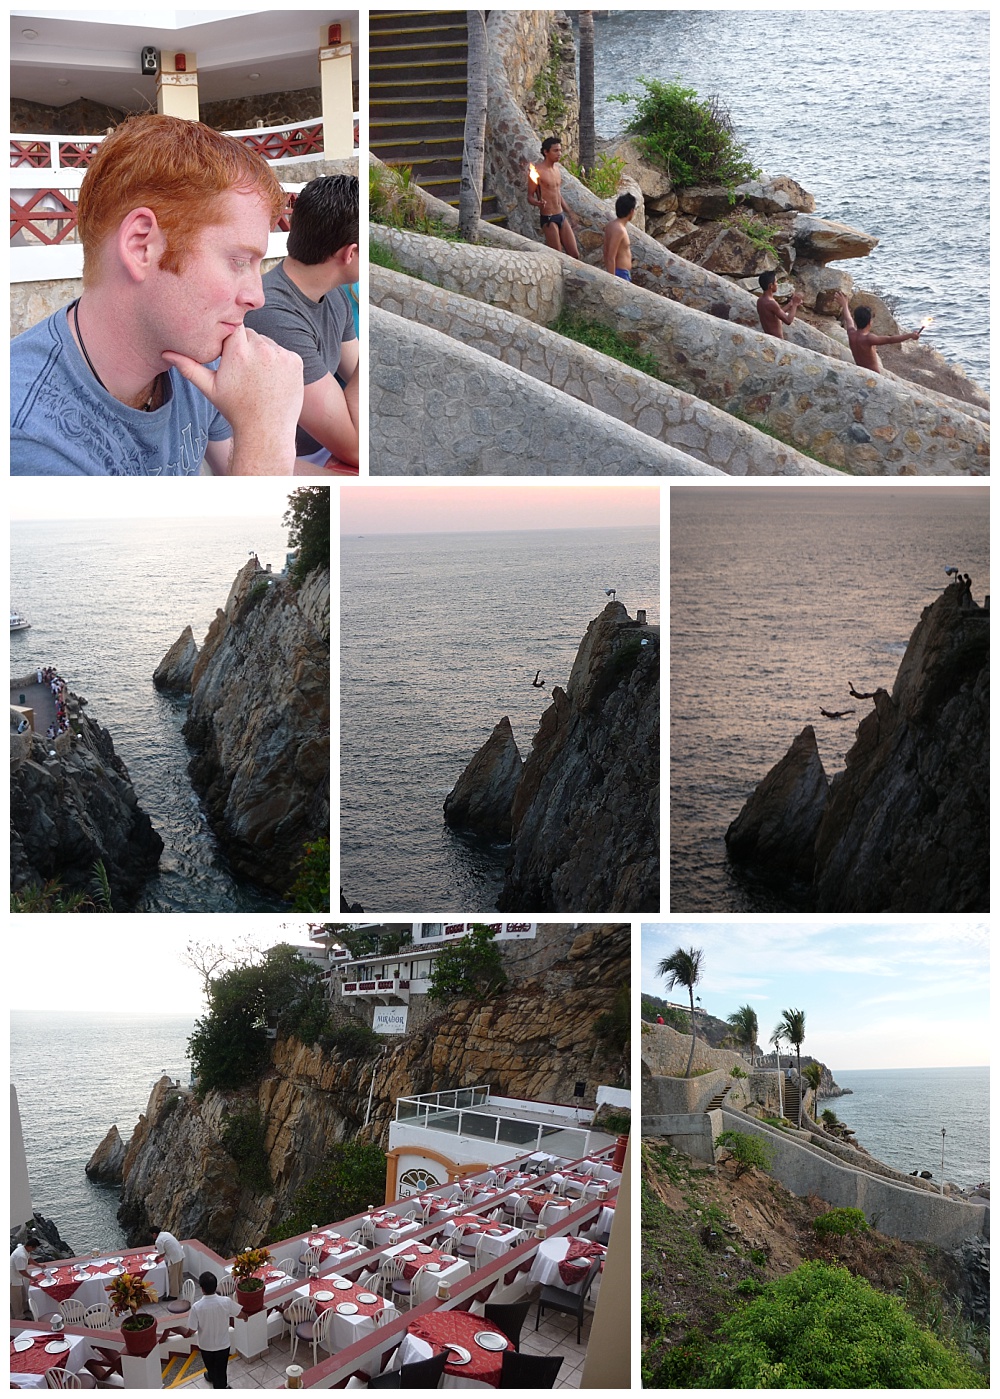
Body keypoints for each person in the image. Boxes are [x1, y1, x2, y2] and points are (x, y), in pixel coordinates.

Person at [11, 113, 304, 477]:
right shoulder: (27, 442)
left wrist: (258, 424)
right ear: (141, 246)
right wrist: (266, 434)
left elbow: (236, 466)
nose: (257, 297)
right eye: (238, 260)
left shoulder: (194, 352)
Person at [244, 174, 359, 471]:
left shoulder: (334, 297)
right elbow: (355, 446)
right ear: (351, 253)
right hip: (290, 462)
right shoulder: (273, 316)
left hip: (325, 449)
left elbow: (357, 373)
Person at [164, 1271, 245, 1389]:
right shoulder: (226, 1302)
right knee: (221, 1370)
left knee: (210, 1365)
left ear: (202, 1289)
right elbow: (240, 1314)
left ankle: (212, 1377)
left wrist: (186, 1334)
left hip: (205, 1346)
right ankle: (220, 1386)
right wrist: (247, 1317)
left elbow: (191, 1329)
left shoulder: (197, 1307)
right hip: (223, 1345)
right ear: (215, 1286)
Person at [835, 290, 924, 372]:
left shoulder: (851, 333)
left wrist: (844, 305)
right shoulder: (868, 338)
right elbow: (890, 339)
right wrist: (910, 335)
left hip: (861, 370)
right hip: (873, 374)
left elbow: (848, 319)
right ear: (870, 322)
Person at [527, 137, 580, 258]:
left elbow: (557, 194)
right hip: (549, 218)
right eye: (555, 150)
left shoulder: (557, 169)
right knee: (557, 255)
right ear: (546, 152)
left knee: (574, 254)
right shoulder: (536, 171)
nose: (559, 154)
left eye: (560, 150)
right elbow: (529, 197)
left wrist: (570, 213)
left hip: (561, 215)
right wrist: (537, 203)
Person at [756, 270, 803, 338]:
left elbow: (776, 315)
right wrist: (795, 304)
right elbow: (788, 321)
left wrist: (790, 304)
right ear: (771, 286)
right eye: (776, 282)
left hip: (769, 337)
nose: (777, 284)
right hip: (777, 339)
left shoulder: (760, 300)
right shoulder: (771, 303)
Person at [603, 192, 637, 279]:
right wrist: (613, 280)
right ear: (631, 211)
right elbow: (611, 256)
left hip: (621, 272)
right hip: (620, 273)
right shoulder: (619, 230)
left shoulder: (611, 225)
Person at [152, 1225, 185, 1301]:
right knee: (179, 1274)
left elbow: (162, 1254)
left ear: (154, 1234)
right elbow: (167, 1243)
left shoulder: (158, 1241)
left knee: (173, 1277)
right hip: (180, 1254)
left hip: (174, 1258)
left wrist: (156, 1258)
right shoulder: (166, 1233)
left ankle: (173, 1295)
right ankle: (179, 1289)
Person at [10, 1237, 37, 1319]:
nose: (34, 1250)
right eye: (34, 1248)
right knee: (16, 1299)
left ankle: (25, 1310)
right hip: (12, 1279)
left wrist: (39, 1265)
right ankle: (19, 1316)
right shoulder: (20, 1256)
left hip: (18, 1277)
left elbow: (29, 1259)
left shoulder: (23, 1249)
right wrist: (32, 1278)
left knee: (23, 1294)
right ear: (31, 1247)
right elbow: (21, 1271)